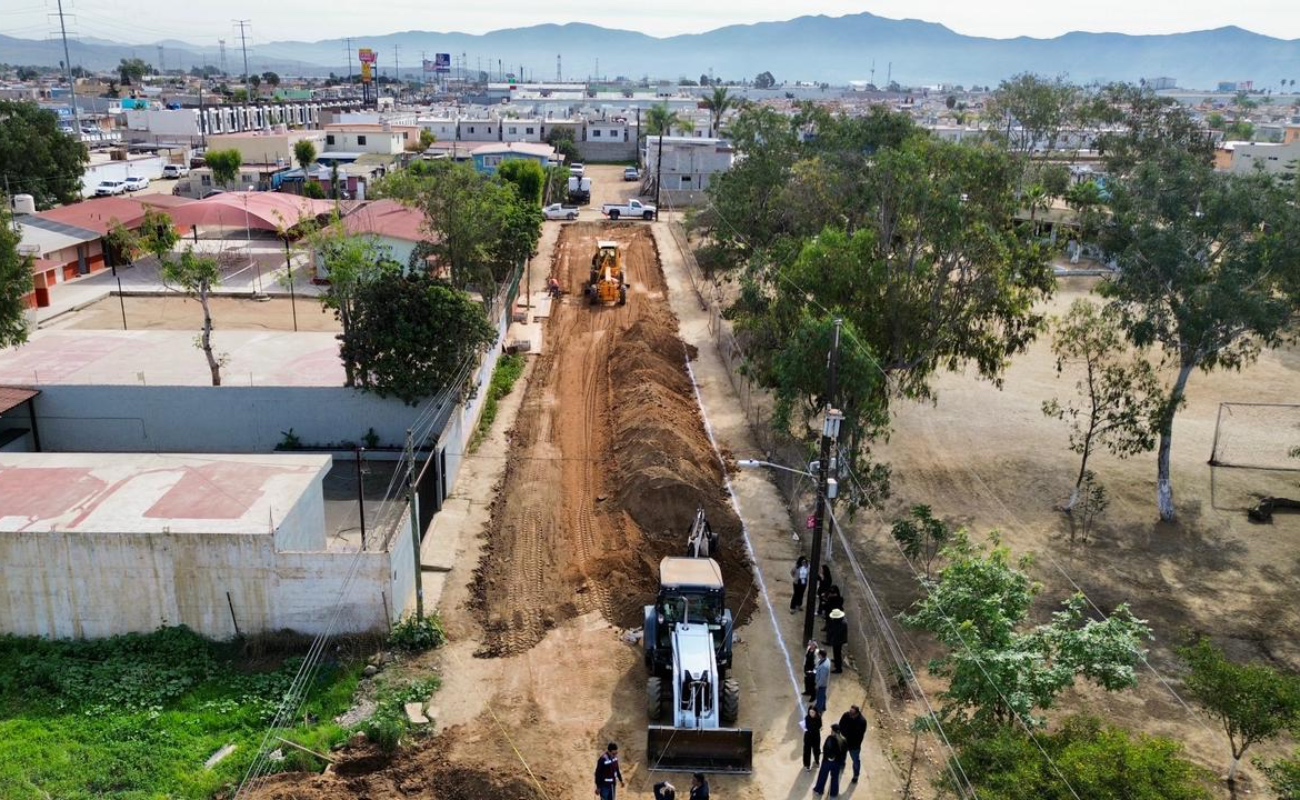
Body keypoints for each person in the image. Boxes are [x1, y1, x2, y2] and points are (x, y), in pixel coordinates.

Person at [813, 723, 845, 797]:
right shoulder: (843, 740)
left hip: (827, 762)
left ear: (834, 731)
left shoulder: (830, 738)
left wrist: (828, 756)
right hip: (837, 763)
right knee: (835, 778)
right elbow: (844, 754)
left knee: (823, 776)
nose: (831, 731)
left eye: (832, 730)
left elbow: (826, 748)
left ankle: (819, 790)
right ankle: (833, 793)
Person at [838, 705, 868, 784]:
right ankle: (841, 764)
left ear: (857, 713)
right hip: (845, 741)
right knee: (842, 754)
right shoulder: (846, 715)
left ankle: (856, 775)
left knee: (855, 761)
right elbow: (840, 725)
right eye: (850, 712)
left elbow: (858, 735)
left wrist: (846, 734)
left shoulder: (862, 722)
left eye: (852, 714)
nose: (850, 715)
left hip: (854, 745)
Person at [826, 608, 848, 674]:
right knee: (836, 652)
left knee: (837, 653)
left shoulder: (839, 624)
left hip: (838, 640)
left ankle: (838, 668)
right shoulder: (842, 622)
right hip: (839, 640)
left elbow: (835, 632)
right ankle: (836, 661)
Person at [802, 706, 823, 771]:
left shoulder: (818, 717)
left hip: (816, 736)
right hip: (808, 736)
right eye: (810, 712)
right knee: (807, 751)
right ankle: (807, 765)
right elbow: (807, 727)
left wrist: (814, 728)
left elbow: (819, 725)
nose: (811, 714)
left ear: (815, 712)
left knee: (816, 749)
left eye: (813, 712)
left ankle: (817, 761)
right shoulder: (807, 718)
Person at [814, 648, 831, 712]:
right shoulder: (827, 660)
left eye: (819, 655)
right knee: (823, 696)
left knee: (820, 697)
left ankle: (819, 711)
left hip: (822, 684)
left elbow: (822, 678)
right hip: (824, 683)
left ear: (821, 655)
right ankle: (823, 707)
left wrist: (817, 685)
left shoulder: (824, 666)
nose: (818, 656)